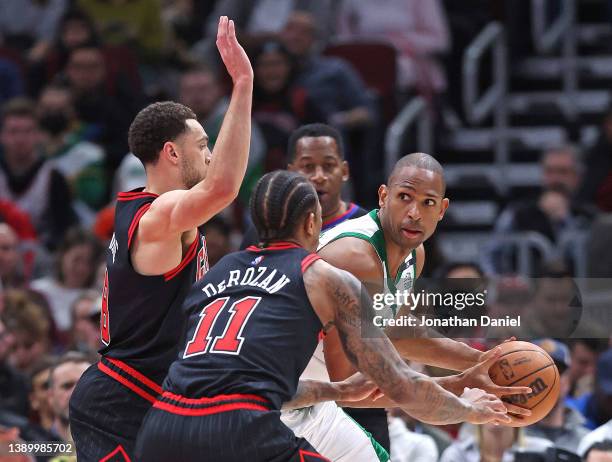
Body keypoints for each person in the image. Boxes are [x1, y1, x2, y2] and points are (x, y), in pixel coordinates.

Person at [134, 170, 512, 462]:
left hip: (163, 427)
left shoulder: (215, 273)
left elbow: (242, 383)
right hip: (242, 429)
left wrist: (337, 392)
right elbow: (401, 387)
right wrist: (470, 408)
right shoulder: (323, 275)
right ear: (313, 224)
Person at [68, 17, 254, 461]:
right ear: (172, 153)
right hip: (121, 402)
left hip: (154, 399)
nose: (210, 153)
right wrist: (243, 84)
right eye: (203, 144)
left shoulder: (151, 212)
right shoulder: (158, 215)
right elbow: (224, 187)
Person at [289, 153, 530, 455]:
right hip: (281, 401)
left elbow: (397, 332)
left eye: (428, 202)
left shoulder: (414, 254)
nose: (415, 212)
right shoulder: (354, 258)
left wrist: (481, 362)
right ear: (383, 196)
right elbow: (348, 387)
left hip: (315, 404)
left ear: (442, 210)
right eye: (405, 197)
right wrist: (460, 388)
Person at [241, 123, 368, 248]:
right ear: (290, 173)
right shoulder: (267, 229)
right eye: (308, 166)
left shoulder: (367, 227)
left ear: (345, 171)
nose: (319, 176)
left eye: (328, 165)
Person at [0, 98, 77, 250]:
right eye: (13, 131)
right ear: (2, 136)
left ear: (38, 135)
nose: (20, 139)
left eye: (27, 131)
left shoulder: (54, 177)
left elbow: (63, 233)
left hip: (42, 260)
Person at [31, 228, 103, 336]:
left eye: (88, 262)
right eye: (76, 259)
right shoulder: (37, 290)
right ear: (62, 256)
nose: (81, 268)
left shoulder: (97, 299)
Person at [525, 339, 590, 453]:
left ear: (568, 381)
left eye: (555, 372)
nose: (547, 382)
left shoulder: (586, 441)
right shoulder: (509, 438)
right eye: (537, 373)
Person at [48, 352, 91, 443]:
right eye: (67, 386)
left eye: (84, 384)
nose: (76, 392)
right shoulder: (35, 448)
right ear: (50, 396)